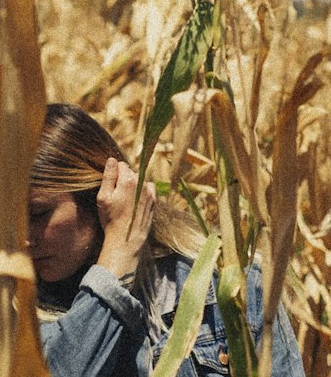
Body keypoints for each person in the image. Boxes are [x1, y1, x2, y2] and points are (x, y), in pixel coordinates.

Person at [28, 103, 305, 377]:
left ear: (96, 194)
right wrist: (116, 258)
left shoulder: (230, 286)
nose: (23, 238)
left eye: (37, 214)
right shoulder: (19, 308)